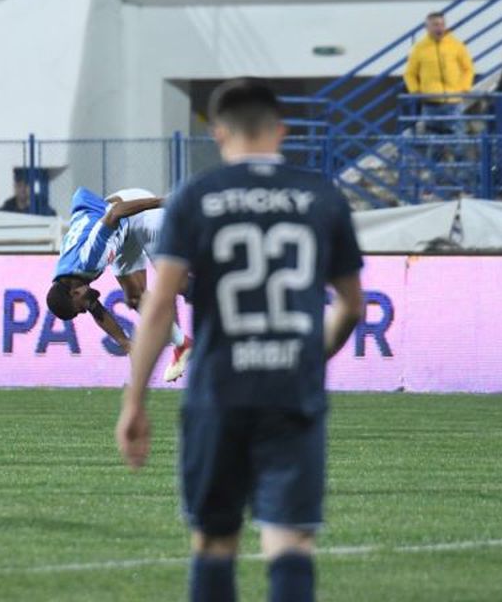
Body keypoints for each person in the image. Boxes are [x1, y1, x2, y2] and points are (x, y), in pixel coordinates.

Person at [115, 78, 365, 602]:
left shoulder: (195, 198)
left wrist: (134, 400)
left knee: (213, 541)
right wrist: (309, 355)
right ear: (281, 131)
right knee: (291, 539)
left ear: (220, 132)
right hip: (291, 392)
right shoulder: (323, 197)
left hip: (216, 392)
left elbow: (159, 306)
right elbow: (350, 306)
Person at [45, 186, 193, 381]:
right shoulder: (69, 281)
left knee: (177, 283)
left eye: (79, 309)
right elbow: (97, 311)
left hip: (137, 213)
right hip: (120, 234)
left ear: (74, 294)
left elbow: (115, 212)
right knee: (135, 297)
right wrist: (128, 346)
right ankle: (183, 345)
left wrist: (162, 202)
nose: (84, 311)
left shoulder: (89, 258)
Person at [402, 12, 475, 138]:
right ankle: (435, 158)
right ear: (427, 28)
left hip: (454, 102)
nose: (439, 28)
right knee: (433, 143)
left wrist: (464, 88)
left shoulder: (456, 45)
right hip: (431, 103)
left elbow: (468, 68)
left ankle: (458, 158)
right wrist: (415, 91)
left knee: (458, 140)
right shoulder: (419, 48)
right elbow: (409, 73)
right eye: (435, 25)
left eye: (442, 24)